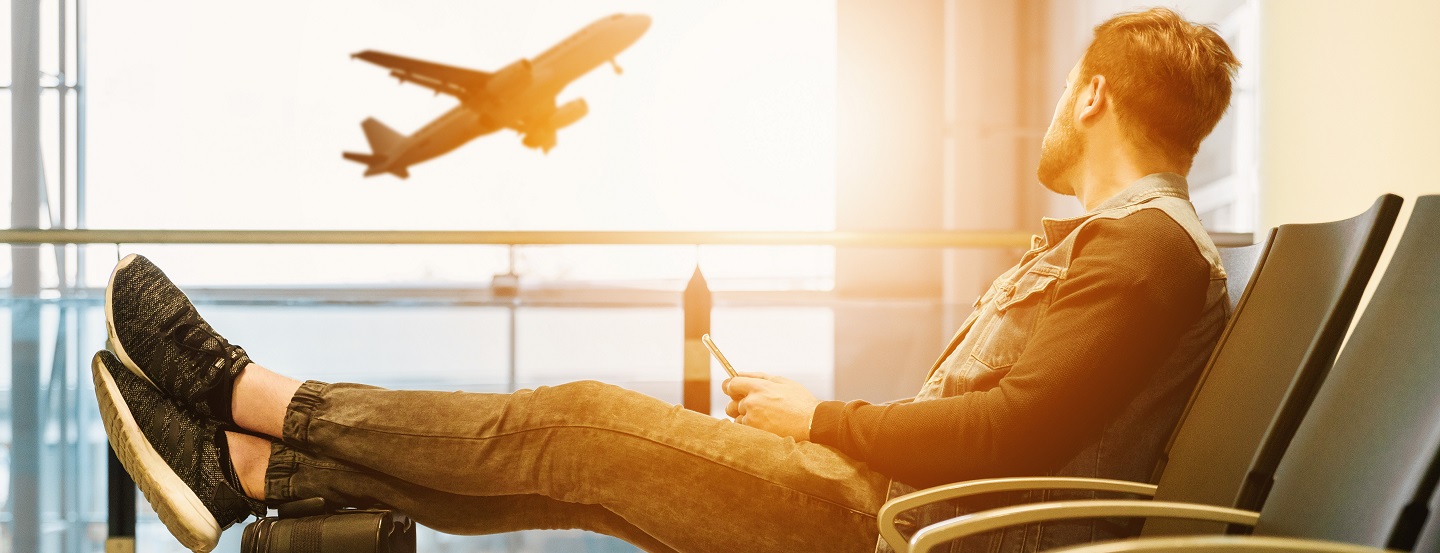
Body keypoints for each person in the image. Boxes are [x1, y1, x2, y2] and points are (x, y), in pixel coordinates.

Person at [92, 7, 1239, 553]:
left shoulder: (1142, 254)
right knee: (584, 476)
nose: (1050, 113)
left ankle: (248, 397)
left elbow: (1013, 433)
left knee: (577, 424)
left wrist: (823, 415)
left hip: (896, 525)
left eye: (1061, 93)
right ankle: (244, 467)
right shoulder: (1128, 248)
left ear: (1091, 95)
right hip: (891, 500)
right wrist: (824, 419)